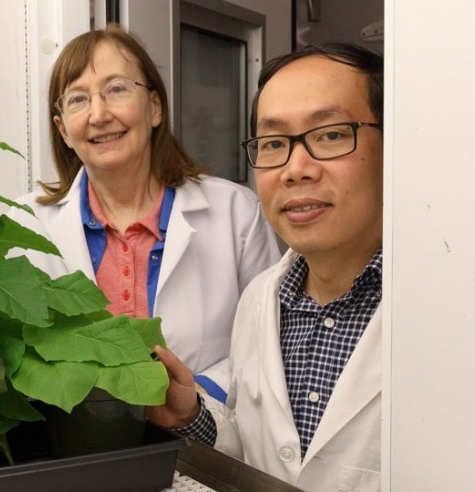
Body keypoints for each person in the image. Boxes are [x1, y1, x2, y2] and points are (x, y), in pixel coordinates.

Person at [147, 43, 384, 491]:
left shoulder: (457, 311)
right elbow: (260, 454)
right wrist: (192, 415)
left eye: (331, 134)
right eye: (274, 143)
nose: (296, 169)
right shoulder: (261, 298)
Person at [7, 24, 281, 400]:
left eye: (116, 89)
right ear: (64, 131)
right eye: (78, 100)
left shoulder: (237, 213)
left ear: (155, 107)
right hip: (73, 442)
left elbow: (268, 339)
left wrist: (193, 399)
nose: (99, 114)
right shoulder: (23, 226)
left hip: (205, 443)